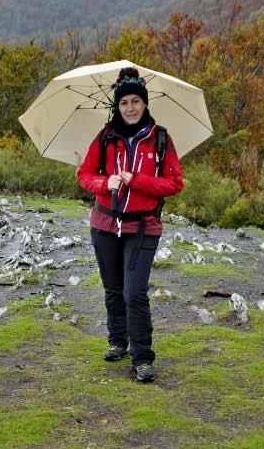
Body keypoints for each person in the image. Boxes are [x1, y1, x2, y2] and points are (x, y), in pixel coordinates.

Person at [76, 67, 184, 383]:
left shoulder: (161, 139)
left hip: (142, 227)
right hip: (104, 225)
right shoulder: (106, 137)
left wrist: (137, 182)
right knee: (113, 289)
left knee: (134, 292)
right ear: (117, 106)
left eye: (136, 101)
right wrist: (103, 182)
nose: (130, 108)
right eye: (124, 103)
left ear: (145, 103)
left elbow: (175, 183)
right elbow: (84, 174)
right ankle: (117, 341)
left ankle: (142, 358)